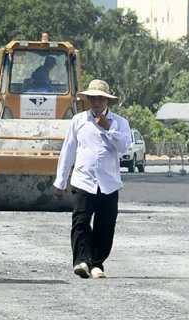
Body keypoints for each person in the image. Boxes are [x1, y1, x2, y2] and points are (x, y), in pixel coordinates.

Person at [53, 79, 131, 280]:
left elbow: (124, 147)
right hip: (83, 180)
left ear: (107, 102)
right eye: (93, 98)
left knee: (105, 225)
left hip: (108, 183)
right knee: (81, 221)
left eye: (100, 99)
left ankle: (97, 264)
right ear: (88, 100)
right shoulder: (78, 121)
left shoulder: (120, 123)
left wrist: (108, 128)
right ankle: (81, 261)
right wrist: (60, 181)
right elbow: (68, 151)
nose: (96, 102)